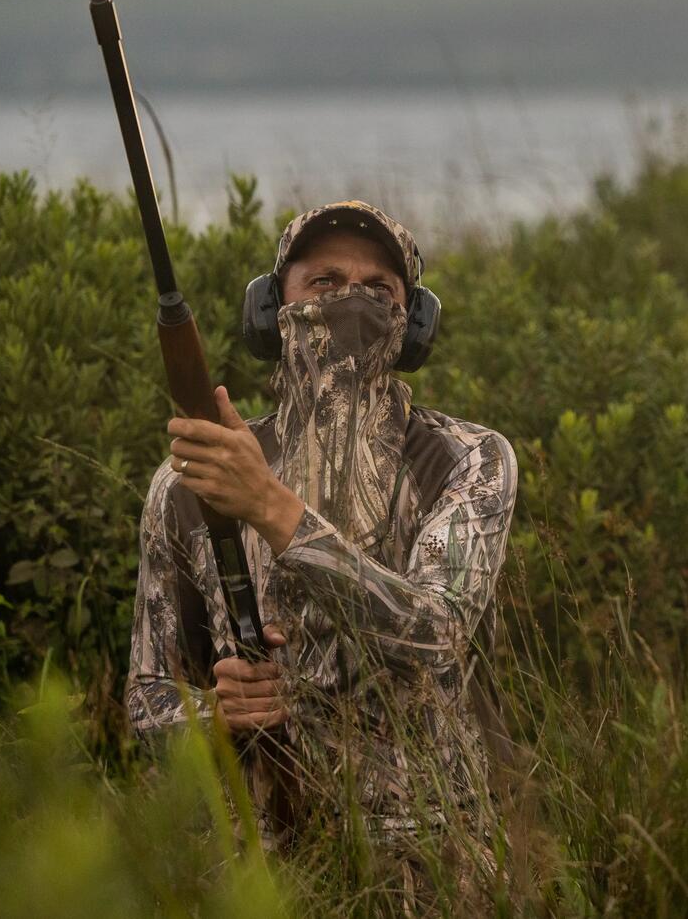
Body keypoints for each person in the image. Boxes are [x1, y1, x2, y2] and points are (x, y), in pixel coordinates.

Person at [123, 200, 517, 901]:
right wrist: (217, 711)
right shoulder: (191, 484)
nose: (351, 301)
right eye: (325, 282)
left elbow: (436, 630)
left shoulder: (469, 460)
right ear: (272, 310)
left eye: (379, 289)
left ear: (413, 323)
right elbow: (147, 699)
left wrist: (273, 508)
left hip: (430, 867)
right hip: (258, 870)